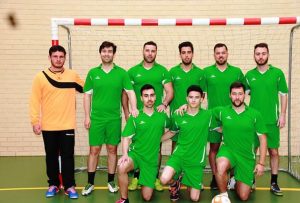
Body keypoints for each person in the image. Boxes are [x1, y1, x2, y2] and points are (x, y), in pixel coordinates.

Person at [81, 41, 138, 196]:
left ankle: (111, 181)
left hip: (114, 119)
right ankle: (90, 183)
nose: (107, 54)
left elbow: (130, 92)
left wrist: (134, 109)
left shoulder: (122, 73)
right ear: (100, 53)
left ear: (114, 54)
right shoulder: (93, 73)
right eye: (104, 51)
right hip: (96, 119)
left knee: (112, 149)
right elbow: (87, 96)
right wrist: (87, 116)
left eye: (110, 51)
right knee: (94, 150)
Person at [30, 45, 84, 199]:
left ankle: (69, 186)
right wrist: (35, 121)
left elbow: (87, 88)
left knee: (68, 156)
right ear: (50, 58)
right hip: (48, 125)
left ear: (65, 58)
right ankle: (53, 184)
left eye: (61, 57)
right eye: (55, 56)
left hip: (67, 124)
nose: (58, 59)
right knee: (51, 156)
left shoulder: (72, 75)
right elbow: (34, 101)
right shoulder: (40, 77)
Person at [124, 41, 173, 191]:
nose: (150, 53)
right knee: (137, 148)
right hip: (138, 117)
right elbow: (125, 93)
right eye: (147, 50)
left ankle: (155, 177)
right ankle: (136, 178)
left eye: (153, 51)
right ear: (143, 51)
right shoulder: (132, 71)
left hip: (155, 117)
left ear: (156, 52)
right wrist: (127, 112)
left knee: (156, 149)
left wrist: (164, 104)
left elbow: (170, 91)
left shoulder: (163, 71)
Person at [245, 43, 288, 196]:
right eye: (258, 53)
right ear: (254, 55)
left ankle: (274, 182)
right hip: (254, 122)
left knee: (274, 152)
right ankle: (250, 180)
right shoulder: (249, 75)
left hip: (272, 121)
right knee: (252, 152)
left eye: (263, 53)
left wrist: (282, 115)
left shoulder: (277, 73)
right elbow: (243, 96)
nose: (261, 56)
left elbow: (283, 94)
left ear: (268, 54)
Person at [213, 81, 267, 201]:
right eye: (234, 94)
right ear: (229, 95)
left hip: (246, 156)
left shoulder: (255, 114)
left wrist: (261, 163)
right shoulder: (222, 111)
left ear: (244, 95)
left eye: (240, 94)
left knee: (243, 196)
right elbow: (202, 113)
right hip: (228, 150)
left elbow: (262, 139)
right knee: (221, 166)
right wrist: (186, 106)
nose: (237, 97)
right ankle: (223, 196)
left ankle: (234, 180)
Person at [116, 84, 170, 203]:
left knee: (146, 197)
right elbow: (126, 137)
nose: (149, 98)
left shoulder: (162, 116)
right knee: (122, 166)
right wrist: (125, 154)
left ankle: (141, 179)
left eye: (152, 95)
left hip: (150, 160)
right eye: (146, 96)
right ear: (141, 98)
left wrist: (159, 139)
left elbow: (173, 130)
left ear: (156, 97)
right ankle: (124, 199)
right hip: (136, 155)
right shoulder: (135, 116)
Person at [203, 43, 246, 189]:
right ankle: (216, 177)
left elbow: (244, 94)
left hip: (233, 118)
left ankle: (233, 178)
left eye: (223, 52)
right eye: (218, 53)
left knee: (234, 148)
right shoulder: (207, 72)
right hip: (214, 118)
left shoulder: (237, 72)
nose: (220, 55)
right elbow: (199, 95)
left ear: (227, 54)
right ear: (214, 55)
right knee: (214, 149)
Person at [160, 85, 213, 202]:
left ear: (202, 99)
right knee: (164, 179)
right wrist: (155, 141)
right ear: (186, 98)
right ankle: (175, 183)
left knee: (194, 198)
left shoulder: (208, 115)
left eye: (197, 97)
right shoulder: (178, 115)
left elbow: (226, 117)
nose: (193, 100)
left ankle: (186, 179)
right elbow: (172, 132)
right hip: (179, 156)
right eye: (191, 97)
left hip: (196, 161)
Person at [169, 41, 205, 151]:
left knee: (193, 142)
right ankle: (175, 167)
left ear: (193, 54)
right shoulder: (173, 72)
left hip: (194, 114)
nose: (186, 55)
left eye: (189, 52)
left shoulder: (200, 73)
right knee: (176, 144)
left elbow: (202, 95)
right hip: (177, 114)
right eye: (183, 52)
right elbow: (169, 92)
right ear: (180, 54)